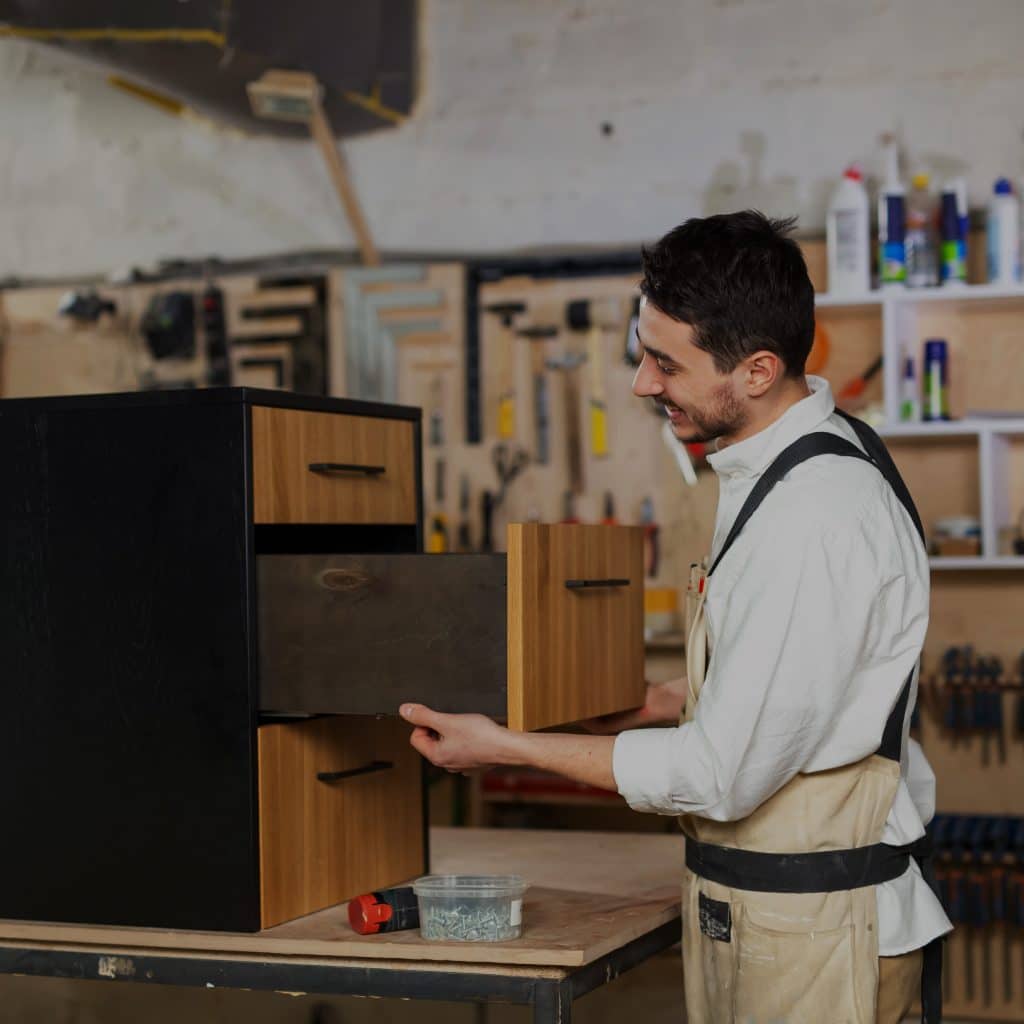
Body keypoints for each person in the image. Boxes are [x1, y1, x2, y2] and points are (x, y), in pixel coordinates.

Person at [400, 211, 952, 1023]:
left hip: (816, 932)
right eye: (643, 352)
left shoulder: (813, 514)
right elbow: (799, 684)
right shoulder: (796, 463)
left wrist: (507, 748)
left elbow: (719, 776)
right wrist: (660, 701)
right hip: (776, 915)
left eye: (666, 362)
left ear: (758, 370)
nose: (642, 383)